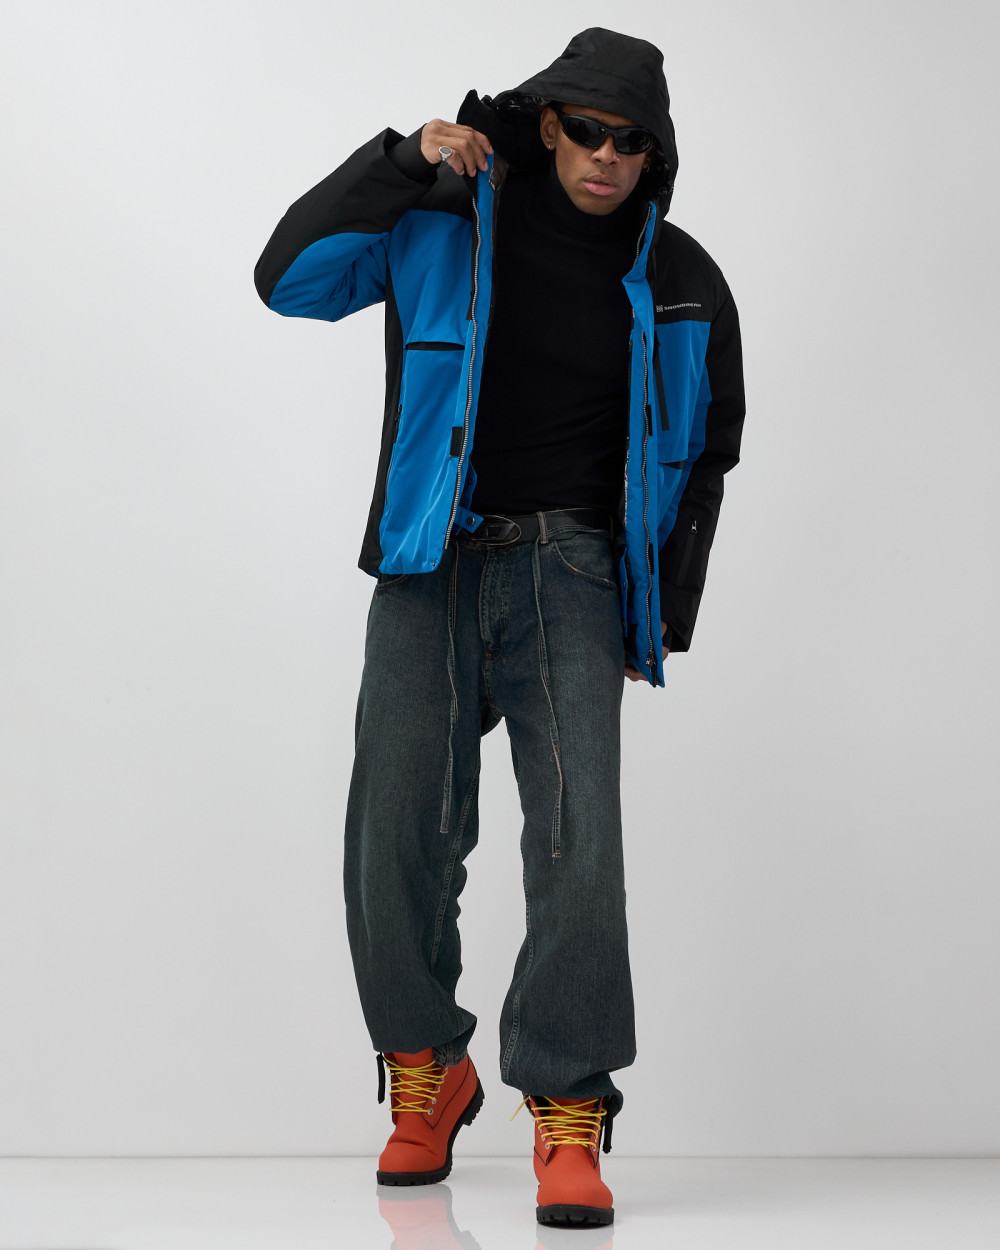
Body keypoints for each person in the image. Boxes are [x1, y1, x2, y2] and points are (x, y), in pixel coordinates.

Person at [254, 26, 745, 1229]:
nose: (606, 156)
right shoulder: (441, 218)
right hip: (431, 557)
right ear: (545, 124)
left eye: (632, 141)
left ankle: (567, 1103)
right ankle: (427, 1068)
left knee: (578, 846)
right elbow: (288, 281)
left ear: (654, 154)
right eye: (587, 130)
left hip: (574, 572)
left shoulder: (683, 276)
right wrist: (397, 162)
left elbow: (709, 450)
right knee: (394, 832)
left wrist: (659, 610)